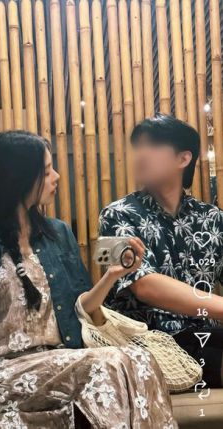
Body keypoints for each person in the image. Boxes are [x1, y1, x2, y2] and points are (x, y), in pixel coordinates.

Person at [0, 129, 177, 428]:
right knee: (108, 365)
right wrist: (1, 156)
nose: (57, 177)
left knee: (140, 358)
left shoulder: (57, 233)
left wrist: (113, 275)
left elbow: (80, 307)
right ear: (19, 177)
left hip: (59, 361)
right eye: (46, 170)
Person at [100, 113, 223, 388]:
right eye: (138, 145)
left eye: (154, 145)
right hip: (145, 342)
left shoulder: (215, 218)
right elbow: (145, 286)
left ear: (183, 158)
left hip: (205, 336)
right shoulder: (112, 215)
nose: (141, 154)